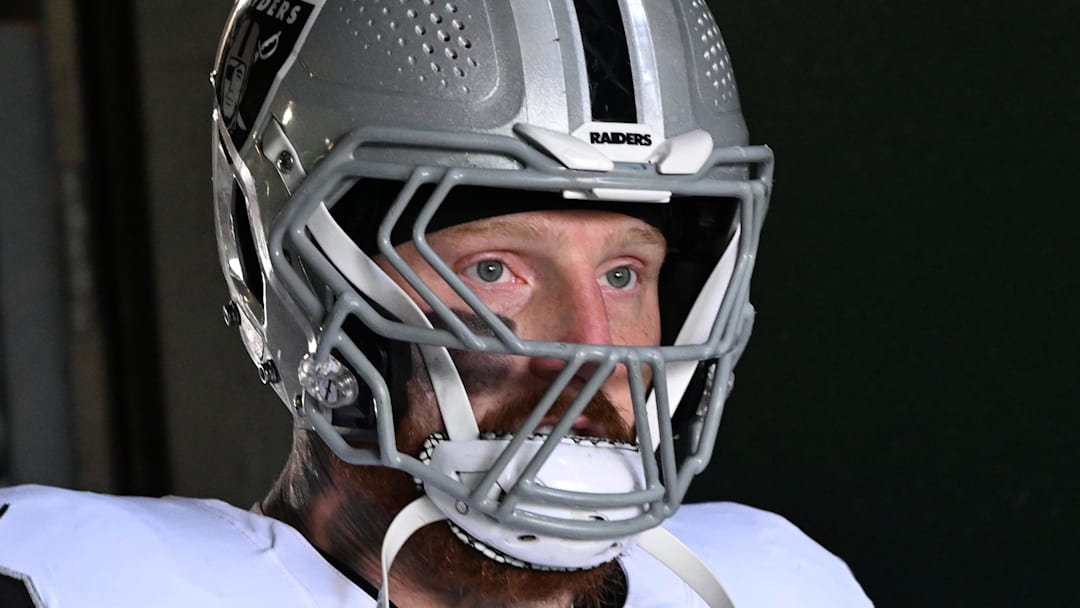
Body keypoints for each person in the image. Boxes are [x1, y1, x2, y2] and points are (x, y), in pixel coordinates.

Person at [0, 1, 872, 606]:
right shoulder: (67, 582)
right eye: (495, 269)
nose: (590, 347)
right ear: (301, 279)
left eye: (622, 275)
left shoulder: (781, 585)